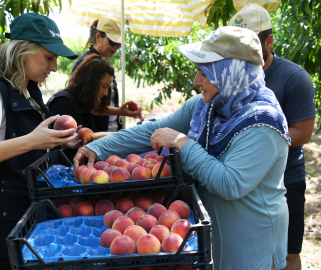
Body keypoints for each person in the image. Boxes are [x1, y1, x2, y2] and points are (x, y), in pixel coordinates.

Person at [73, 26, 291, 270]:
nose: (196, 81)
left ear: (232, 73)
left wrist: (183, 143)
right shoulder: (208, 106)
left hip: (250, 245)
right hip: (213, 235)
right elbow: (151, 131)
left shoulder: (262, 123)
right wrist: (99, 147)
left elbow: (230, 183)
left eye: (205, 73)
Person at [0, 13, 78, 269]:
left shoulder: (30, 92)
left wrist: (59, 140)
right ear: (23, 51)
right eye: (49, 57)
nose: (55, 67)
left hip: (24, 222)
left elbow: (32, 142)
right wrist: (31, 141)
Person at [230, 5, 316, 269]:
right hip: (243, 177)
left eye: (251, 43)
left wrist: (257, 141)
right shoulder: (233, 76)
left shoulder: (294, 78)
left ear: (269, 40)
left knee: (287, 254)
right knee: (252, 253)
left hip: (284, 180)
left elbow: (303, 132)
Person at [47, 53, 142, 162]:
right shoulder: (63, 102)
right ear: (90, 83)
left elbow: (87, 136)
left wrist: (120, 134)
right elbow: (74, 140)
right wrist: (118, 135)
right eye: (104, 87)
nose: (106, 93)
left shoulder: (83, 100)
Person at [72, 15, 142, 132]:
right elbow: (89, 105)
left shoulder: (104, 62)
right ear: (98, 36)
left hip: (108, 131)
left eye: (118, 44)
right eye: (112, 42)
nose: (115, 47)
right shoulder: (88, 65)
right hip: (95, 134)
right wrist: (120, 111)